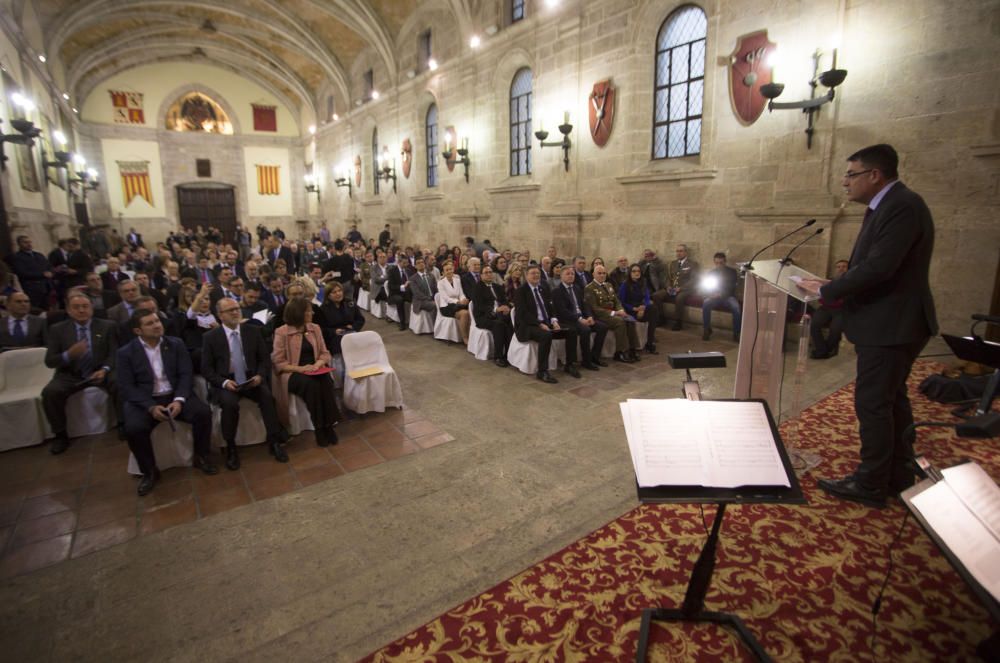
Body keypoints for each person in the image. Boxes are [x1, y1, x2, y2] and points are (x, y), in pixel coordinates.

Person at [799, 144, 938, 509]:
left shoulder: (902, 206)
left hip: (891, 324)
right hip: (891, 322)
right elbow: (872, 265)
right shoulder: (891, 206)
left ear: (874, 175)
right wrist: (829, 285)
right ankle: (897, 474)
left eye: (851, 174)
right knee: (891, 399)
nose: (845, 182)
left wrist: (829, 289)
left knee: (874, 402)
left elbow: (880, 267)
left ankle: (871, 482)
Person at [119, 309, 218, 495]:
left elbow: (185, 374)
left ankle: (202, 456)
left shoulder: (175, 344)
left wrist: (179, 400)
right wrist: (150, 407)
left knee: (203, 413)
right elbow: (127, 386)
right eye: (149, 323)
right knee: (133, 428)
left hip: (175, 394)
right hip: (146, 400)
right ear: (138, 331)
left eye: (157, 321)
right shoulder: (126, 353)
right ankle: (149, 471)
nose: (157, 325)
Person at [202, 299, 289, 469]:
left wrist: (259, 376)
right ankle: (231, 447)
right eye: (230, 310)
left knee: (266, 397)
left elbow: (264, 360)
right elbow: (207, 370)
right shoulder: (211, 337)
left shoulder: (253, 331)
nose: (235, 312)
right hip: (227, 381)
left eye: (237, 308)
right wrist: (225, 382)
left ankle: (274, 441)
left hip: (251, 378)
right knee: (229, 404)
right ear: (220, 315)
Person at [42, 292, 119, 454]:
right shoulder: (57, 330)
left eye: (85, 306)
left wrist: (104, 370)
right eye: (76, 307)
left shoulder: (107, 326)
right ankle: (60, 435)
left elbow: (114, 353)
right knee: (50, 393)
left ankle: (124, 425)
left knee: (119, 382)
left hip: (100, 370)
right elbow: (50, 361)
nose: (81, 310)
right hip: (70, 374)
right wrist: (68, 354)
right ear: (69, 311)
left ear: (92, 308)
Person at [271, 298, 341, 446]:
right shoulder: (281, 332)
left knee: (326, 381)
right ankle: (320, 428)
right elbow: (279, 362)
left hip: (315, 368)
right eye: (309, 311)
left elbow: (325, 353)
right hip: (292, 372)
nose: (312, 313)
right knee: (312, 386)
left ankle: (329, 425)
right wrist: (301, 369)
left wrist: (318, 364)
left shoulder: (315, 328)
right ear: (299, 313)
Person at [513, 265, 580, 383]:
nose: (536, 275)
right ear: (526, 276)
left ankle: (569, 364)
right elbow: (523, 313)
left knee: (571, 330)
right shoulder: (521, 291)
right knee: (546, 335)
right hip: (528, 326)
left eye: (538, 273)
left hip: (546, 323)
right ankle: (542, 371)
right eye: (533, 273)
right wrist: (539, 324)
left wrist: (554, 321)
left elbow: (551, 306)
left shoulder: (543, 287)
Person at [551, 265, 607, 370]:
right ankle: (585, 361)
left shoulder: (577, 288)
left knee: (602, 327)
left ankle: (594, 356)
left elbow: (585, 305)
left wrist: (589, 316)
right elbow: (563, 311)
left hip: (582, 317)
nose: (571, 276)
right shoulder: (557, 291)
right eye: (567, 274)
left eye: (572, 274)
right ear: (561, 276)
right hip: (569, 320)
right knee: (585, 330)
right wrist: (580, 319)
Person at [585, 265, 640, 363]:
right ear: (593, 274)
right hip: (601, 315)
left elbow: (617, 301)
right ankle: (621, 352)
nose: (602, 275)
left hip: (614, 312)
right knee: (620, 322)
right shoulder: (590, 288)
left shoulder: (608, 285)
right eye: (599, 273)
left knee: (630, 319)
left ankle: (633, 349)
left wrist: (621, 310)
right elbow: (595, 308)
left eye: (604, 273)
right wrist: (614, 313)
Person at [472, 265, 514, 368]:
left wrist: (506, 308)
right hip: (483, 317)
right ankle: (498, 356)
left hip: (499, 315)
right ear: (481, 275)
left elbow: (505, 300)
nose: (489, 274)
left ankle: (508, 353)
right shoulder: (477, 288)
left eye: (490, 272)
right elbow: (480, 306)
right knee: (499, 325)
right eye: (486, 272)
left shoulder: (497, 287)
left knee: (511, 322)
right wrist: (496, 310)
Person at [809, 260, 849, 359]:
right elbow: (822, 297)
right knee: (814, 324)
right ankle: (822, 350)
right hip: (826, 308)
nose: (841, 269)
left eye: (844, 266)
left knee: (835, 329)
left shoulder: (851, 282)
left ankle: (825, 350)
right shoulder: (829, 281)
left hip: (841, 310)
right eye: (838, 267)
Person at [617, 263, 660, 354]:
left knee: (653, 309)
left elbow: (647, 297)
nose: (637, 273)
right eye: (634, 271)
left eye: (638, 271)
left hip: (642, 309)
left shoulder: (643, 282)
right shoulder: (625, 285)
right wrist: (634, 309)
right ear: (630, 273)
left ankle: (650, 342)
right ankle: (638, 346)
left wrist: (643, 307)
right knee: (652, 310)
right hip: (631, 310)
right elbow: (622, 302)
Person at [699, 252, 741, 342]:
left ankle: (736, 333)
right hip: (715, 297)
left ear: (725, 262)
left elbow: (732, 287)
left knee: (736, 307)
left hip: (728, 297)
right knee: (706, 303)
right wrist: (710, 294)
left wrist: (720, 294)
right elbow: (707, 286)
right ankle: (707, 329)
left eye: (721, 263)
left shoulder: (732, 272)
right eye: (716, 263)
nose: (719, 265)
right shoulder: (711, 273)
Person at [5, 235, 51, 310]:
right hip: (31, 287)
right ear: (19, 244)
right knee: (34, 309)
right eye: (25, 242)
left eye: (29, 242)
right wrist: (42, 274)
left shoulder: (39, 255)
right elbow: (22, 273)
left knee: (46, 309)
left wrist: (50, 272)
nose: (29, 244)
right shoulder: (17, 257)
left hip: (45, 286)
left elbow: (48, 266)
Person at [319, 281, 364, 354]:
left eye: (340, 291)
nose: (338, 294)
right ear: (328, 295)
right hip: (335, 340)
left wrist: (353, 326)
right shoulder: (322, 309)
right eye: (334, 292)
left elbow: (360, 319)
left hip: (352, 335)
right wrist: (333, 331)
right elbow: (321, 328)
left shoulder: (350, 303)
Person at [666, 244, 700, 330]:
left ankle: (678, 322)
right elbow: (668, 277)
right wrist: (668, 286)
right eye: (677, 251)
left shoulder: (693, 264)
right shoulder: (672, 264)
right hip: (672, 288)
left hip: (686, 289)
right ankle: (660, 318)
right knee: (656, 295)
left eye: (681, 251)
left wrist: (681, 288)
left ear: (686, 252)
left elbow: (694, 280)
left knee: (679, 298)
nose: (678, 253)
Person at [437, 260, 470, 344]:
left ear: (453, 269)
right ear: (443, 272)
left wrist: (463, 299)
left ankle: (471, 335)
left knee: (469, 308)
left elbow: (461, 293)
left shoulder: (457, 280)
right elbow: (446, 298)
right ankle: (465, 338)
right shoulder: (440, 283)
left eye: (450, 269)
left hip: (458, 304)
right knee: (465, 313)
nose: (449, 271)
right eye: (446, 270)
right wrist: (458, 302)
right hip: (446, 307)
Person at [386, 254, 411, 331]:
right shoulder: (392, 271)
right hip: (394, 294)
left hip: (407, 292)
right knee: (400, 300)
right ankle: (402, 322)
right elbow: (391, 286)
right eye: (404, 263)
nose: (406, 265)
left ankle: (414, 321)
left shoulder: (408, 270)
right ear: (399, 262)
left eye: (407, 263)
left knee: (415, 296)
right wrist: (403, 286)